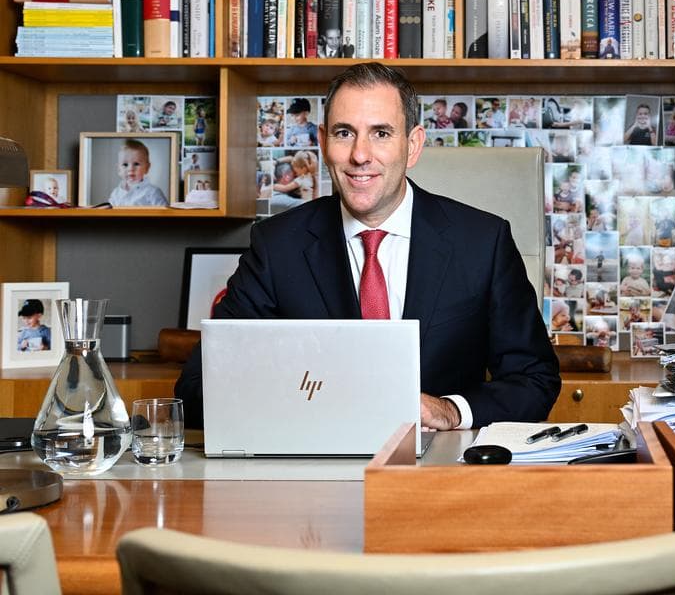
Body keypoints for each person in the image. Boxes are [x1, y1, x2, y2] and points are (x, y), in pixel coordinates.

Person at [175, 62, 560, 430]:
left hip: (439, 469)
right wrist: (312, 409)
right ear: (324, 143)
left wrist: (449, 411)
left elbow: (535, 380)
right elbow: (197, 387)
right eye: (344, 133)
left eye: (381, 133)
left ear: (412, 145)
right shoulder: (277, 246)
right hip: (313, 471)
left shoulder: (482, 243)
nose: (360, 155)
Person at [108, 138, 169, 207]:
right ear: (119, 170)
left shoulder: (152, 192)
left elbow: (165, 213)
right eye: (125, 164)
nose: (131, 169)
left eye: (136, 164)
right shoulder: (116, 193)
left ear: (147, 168)